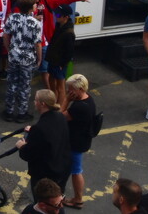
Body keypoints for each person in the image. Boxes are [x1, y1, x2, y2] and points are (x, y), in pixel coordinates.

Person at [17, 89, 72, 198]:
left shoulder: (40, 129)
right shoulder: (60, 117)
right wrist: (32, 130)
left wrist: (21, 146)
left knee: (43, 203)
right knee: (57, 198)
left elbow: (29, 154)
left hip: (46, 175)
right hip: (63, 168)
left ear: (42, 104)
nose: (34, 102)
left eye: (36, 100)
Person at [3, 0, 43, 123]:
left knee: (12, 83)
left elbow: (5, 35)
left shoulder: (12, 18)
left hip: (14, 56)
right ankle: (21, 113)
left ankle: (8, 111)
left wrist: (9, 49)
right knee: (24, 86)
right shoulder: (35, 23)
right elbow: (37, 43)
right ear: (31, 8)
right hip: (28, 58)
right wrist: (39, 58)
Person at [62, 73, 96, 209]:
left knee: (76, 171)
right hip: (81, 139)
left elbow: (59, 117)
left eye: (71, 89)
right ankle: (77, 198)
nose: (68, 92)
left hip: (75, 143)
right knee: (75, 169)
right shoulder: (88, 99)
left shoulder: (79, 107)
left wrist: (66, 100)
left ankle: (78, 199)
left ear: (80, 89)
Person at [46, 5, 77, 109]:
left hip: (59, 63)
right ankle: (53, 100)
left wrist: (63, 64)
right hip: (53, 59)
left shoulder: (69, 33)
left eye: (59, 14)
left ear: (66, 17)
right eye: (56, 13)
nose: (56, 16)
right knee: (51, 79)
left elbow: (70, 52)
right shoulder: (59, 25)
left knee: (60, 86)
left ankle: (59, 107)